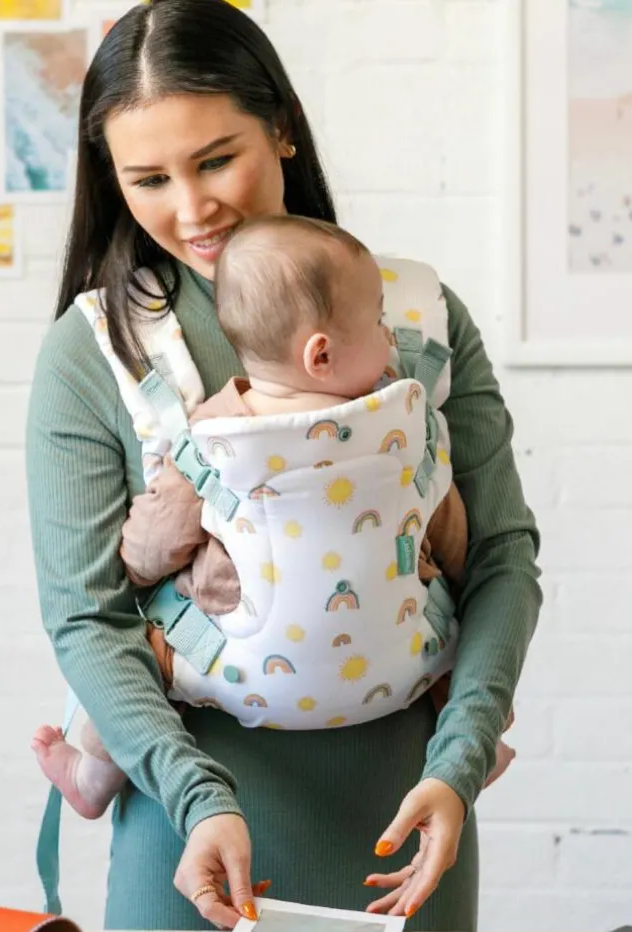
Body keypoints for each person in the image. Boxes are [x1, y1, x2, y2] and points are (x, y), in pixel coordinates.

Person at [25, 0, 541, 932]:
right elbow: (85, 614)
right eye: (147, 178)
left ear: (284, 129)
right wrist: (199, 799)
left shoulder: (413, 318)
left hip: (407, 823)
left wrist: (458, 766)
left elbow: (503, 556)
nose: (191, 209)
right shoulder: (97, 354)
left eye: (218, 159)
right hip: (193, 840)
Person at [31, 213, 517, 822]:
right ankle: (481, 745)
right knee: (452, 637)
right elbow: (452, 528)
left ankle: (93, 774)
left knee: (140, 661)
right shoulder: (403, 420)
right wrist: (438, 563)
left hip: (237, 663)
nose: (391, 338)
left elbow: (152, 547)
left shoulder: (210, 438)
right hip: (398, 661)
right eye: (378, 323)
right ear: (321, 353)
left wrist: (149, 567)